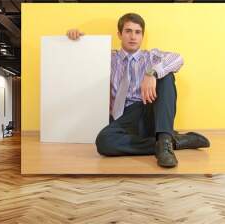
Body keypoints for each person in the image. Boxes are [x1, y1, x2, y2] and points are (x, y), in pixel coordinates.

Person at [67, 13, 209, 168]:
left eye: (137, 32)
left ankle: (163, 140)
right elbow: (83, 59)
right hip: (123, 117)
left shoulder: (151, 57)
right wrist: (77, 41)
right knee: (104, 142)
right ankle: (169, 143)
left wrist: (152, 73)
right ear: (119, 34)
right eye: (128, 31)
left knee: (166, 77)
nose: (133, 36)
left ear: (142, 35)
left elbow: (177, 59)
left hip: (148, 109)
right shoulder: (107, 57)